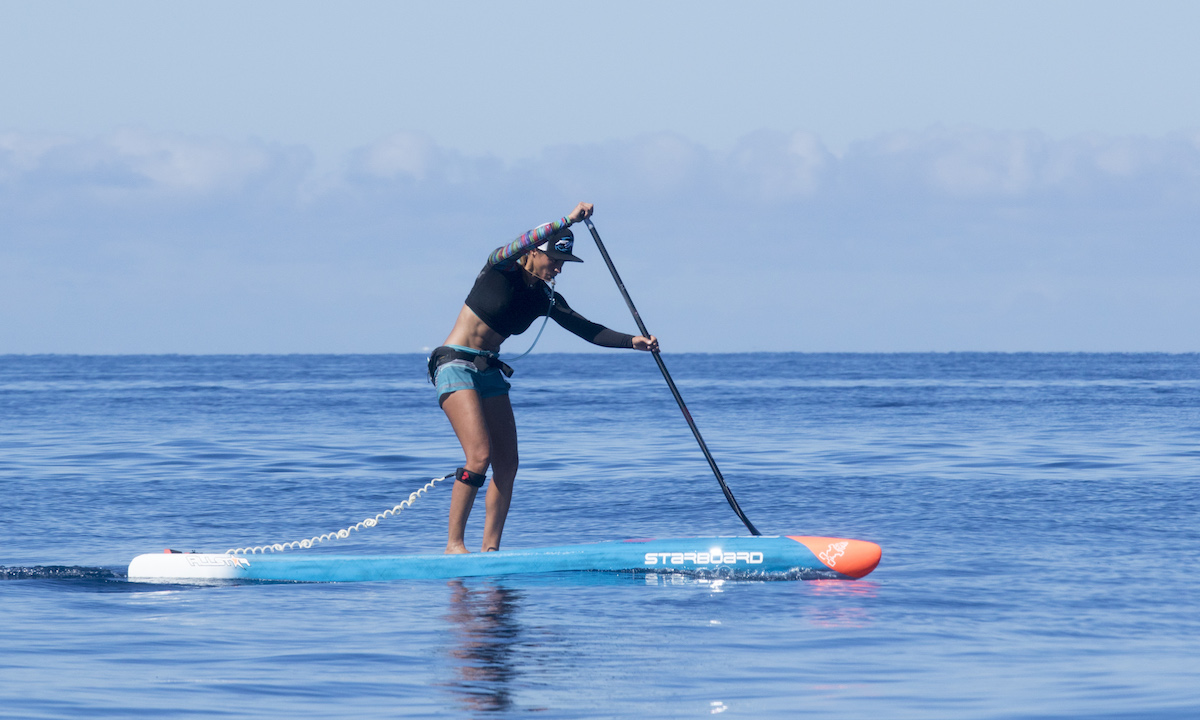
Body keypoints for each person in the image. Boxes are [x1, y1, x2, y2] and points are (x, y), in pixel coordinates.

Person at [428, 202, 657, 554]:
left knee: (509, 462)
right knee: (480, 456)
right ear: (534, 253)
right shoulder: (499, 268)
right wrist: (568, 220)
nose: (559, 269)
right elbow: (522, 239)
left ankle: (491, 550)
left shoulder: (544, 298)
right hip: (455, 365)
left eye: (564, 264)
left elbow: (587, 329)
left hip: (490, 372)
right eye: (555, 261)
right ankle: (453, 546)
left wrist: (632, 342)